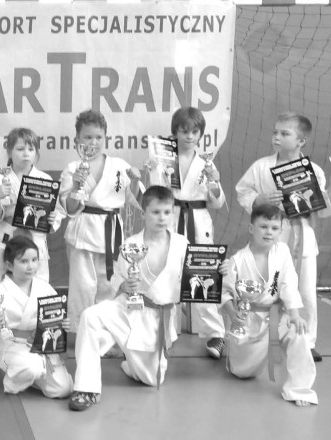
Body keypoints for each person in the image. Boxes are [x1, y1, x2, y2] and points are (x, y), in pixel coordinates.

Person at [235, 112, 331, 362]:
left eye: (284, 133)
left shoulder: (313, 171)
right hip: (269, 235)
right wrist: (259, 200)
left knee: (305, 291)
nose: (276, 137)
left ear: (301, 141)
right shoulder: (261, 166)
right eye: (275, 132)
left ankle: (306, 341)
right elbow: (242, 191)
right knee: (265, 288)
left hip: (302, 236)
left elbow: (321, 209)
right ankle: (257, 338)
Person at [68, 186, 187, 411]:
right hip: (128, 309)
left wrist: (218, 271)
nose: (162, 218)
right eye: (156, 212)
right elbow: (117, 282)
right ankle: (86, 389)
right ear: (144, 213)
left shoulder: (182, 245)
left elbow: (194, 280)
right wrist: (124, 285)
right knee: (91, 316)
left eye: (167, 212)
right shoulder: (130, 244)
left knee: (151, 379)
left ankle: (130, 363)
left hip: (156, 319)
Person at [146, 107, 227, 359]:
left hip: (198, 223)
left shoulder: (206, 164)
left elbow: (217, 203)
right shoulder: (163, 158)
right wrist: (154, 170)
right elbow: (155, 193)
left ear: (200, 134)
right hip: (170, 219)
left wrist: (214, 182)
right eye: (184, 131)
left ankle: (216, 334)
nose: (189, 136)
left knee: (203, 276)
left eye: (194, 131)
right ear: (175, 132)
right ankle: (166, 332)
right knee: (168, 274)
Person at [220, 203, 317, 406]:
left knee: (298, 332)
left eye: (274, 228)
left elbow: (289, 283)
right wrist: (233, 314)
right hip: (248, 319)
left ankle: (299, 390)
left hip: (277, 315)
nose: (269, 232)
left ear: (281, 231)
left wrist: (294, 315)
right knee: (242, 372)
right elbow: (225, 293)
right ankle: (236, 355)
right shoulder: (238, 260)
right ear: (251, 228)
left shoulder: (282, 251)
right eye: (263, 227)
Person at [59, 109, 142, 332]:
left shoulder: (119, 166)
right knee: (82, 287)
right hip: (83, 233)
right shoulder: (72, 169)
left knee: (109, 285)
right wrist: (76, 185)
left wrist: (134, 182)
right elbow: (70, 208)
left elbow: (134, 200)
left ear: (105, 138)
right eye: (87, 137)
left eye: (98, 137)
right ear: (77, 140)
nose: (93, 142)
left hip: (111, 232)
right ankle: (81, 332)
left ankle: (109, 331)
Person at [0, 236, 74, 398]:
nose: (30, 266)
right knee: (32, 366)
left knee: (63, 389)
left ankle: (31, 376)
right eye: (24, 261)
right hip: (13, 345)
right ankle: (12, 382)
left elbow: (54, 316)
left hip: (41, 345)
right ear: (9, 265)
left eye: (34, 260)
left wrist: (62, 324)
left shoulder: (44, 287)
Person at [0, 128, 62, 283]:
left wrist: (52, 218)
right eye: (20, 149)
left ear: (36, 153)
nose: (26, 153)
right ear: (9, 152)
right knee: (5, 282)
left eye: (31, 149)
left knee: (39, 283)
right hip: (7, 235)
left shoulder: (45, 179)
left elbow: (56, 213)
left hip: (35, 236)